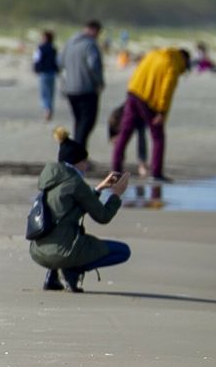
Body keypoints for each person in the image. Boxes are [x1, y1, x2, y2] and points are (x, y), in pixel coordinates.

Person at [31, 127, 131, 292]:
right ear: (76, 162)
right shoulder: (76, 183)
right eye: (84, 161)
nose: (86, 166)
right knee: (122, 251)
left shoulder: (49, 181)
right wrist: (116, 195)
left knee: (59, 233)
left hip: (38, 252)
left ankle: (52, 274)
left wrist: (99, 188)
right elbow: (103, 217)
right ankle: (73, 269)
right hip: (64, 253)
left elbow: (72, 209)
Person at [111, 47, 190, 182]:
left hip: (133, 92)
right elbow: (167, 89)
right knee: (158, 136)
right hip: (148, 100)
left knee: (125, 132)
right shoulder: (173, 64)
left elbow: (137, 71)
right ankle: (156, 173)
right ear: (184, 58)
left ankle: (115, 171)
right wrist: (162, 111)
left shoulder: (153, 54)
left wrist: (132, 91)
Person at [60, 20, 106, 163]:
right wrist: (99, 82)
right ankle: (78, 157)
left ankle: (78, 156)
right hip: (86, 89)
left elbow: (60, 63)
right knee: (86, 123)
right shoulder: (90, 45)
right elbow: (93, 66)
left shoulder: (69, 43)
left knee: (79, 122)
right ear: (94, 30)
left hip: (70, 90)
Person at [32, 30, 59, 121]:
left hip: (43, 73)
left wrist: (36, 69)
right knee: (50, 93)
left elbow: (36, 59)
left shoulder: (40, 48)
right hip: (52, 73)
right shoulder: (53, 49)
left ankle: (46, 109)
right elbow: (57, 61)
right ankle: (49, 108)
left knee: (44, 93)